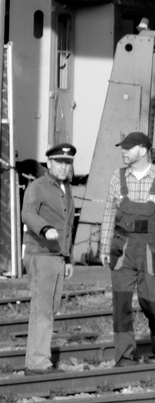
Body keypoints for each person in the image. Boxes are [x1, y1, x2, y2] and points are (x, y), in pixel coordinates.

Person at [90, 131, 155, 366]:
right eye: (123, 148)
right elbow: (108, 214)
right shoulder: (116, 178)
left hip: (151, 252)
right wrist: (104, 247)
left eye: (128, 148)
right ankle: (124, 358)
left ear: (142, 149)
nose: (123, 152)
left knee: (152, 305)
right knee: (121, 305)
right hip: (123, 251)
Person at [19, 143, 77, 374]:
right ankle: (37, 363)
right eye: (60, 162)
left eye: (68, 163)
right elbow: (27, 213)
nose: (64, 167)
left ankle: (38, 358)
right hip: (40, 254)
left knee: (50, 308)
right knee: (42, 309)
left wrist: (68, 257)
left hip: (57, 257)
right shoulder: (38, 186)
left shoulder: (66, 189)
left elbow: (68, 225)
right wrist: (44, 229)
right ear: (49, 163)